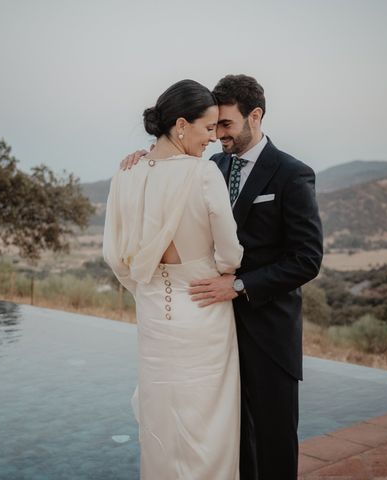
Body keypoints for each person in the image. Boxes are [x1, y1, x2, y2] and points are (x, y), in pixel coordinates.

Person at [122, 74, 323, 480]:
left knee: (273, 439)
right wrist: (147, 157)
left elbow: (306, 259)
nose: (218, 135)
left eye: (226, 125)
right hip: (214, 333)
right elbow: (174, 174)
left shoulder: (292, 174)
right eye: (212, 126)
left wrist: (240, 284)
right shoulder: (210, 165)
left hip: (267, 331)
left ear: (256, 116)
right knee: (231, 441)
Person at [103, 79, 244, 480]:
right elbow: (230, 253)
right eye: (208, 128)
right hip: (204, 310)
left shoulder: (125, 174)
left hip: (153, 315)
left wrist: (143, 287)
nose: (214, 138)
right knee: (208, 424)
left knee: (161, 420)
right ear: (181, 125)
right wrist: (220, 271)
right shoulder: (203, 175)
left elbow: (115, 256)